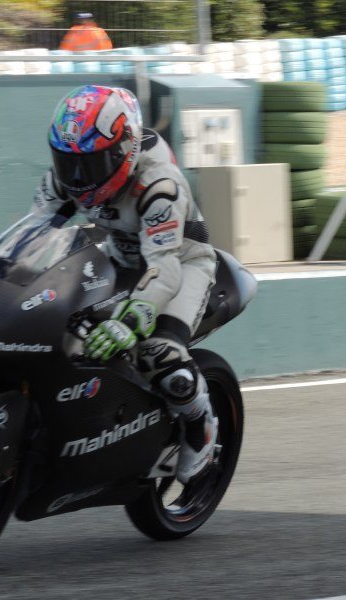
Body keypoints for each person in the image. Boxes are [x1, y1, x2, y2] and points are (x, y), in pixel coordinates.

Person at [29, 85, 218, 484]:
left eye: (93, 164)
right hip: (118, 255)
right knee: (59, 325)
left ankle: (199, 424)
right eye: (69, 163)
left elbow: (164, 270)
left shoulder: (158, 186)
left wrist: (129, 322)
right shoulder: (69, 175)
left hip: (182, 264)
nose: (79, 178)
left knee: (158, 354)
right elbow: (32, 232)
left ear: (125, 150)